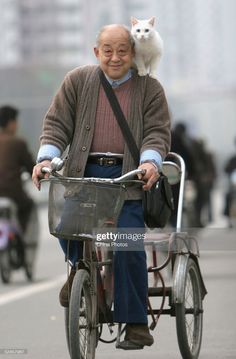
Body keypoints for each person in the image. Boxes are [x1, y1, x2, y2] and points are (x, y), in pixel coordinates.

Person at [32, 24, 171, 349]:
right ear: (97, 52)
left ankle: (134, 323)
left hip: (129, 179)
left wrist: (151, 161)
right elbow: (56, 124)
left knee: (127, 245)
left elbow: (158, 131)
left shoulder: (149, 88)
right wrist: (46, 159)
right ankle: (79, 273)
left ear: (133, 53)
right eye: (107, 50)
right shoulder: (78, 81)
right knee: (66, 229)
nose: (115, 57)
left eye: (122, 50)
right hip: (85, 175)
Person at [0, 105, 35, 233]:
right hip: (12, 192)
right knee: (28, 204)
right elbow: (31, 168)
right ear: (11, 123)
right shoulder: (18, 143)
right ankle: (20, 235)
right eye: (15, 122)